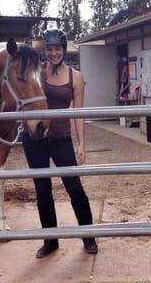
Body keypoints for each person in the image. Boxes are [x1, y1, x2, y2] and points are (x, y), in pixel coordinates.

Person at [22, 29, 98, 258]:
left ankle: (89, 237)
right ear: (44, 50)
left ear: (64, 50)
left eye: (57, 48)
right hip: (34, 139)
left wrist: (81, 144)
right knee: (43, 192)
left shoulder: (75, 76)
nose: (54, 53)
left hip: (61, 138)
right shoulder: (36, 72)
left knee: (75, 188)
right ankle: (50, 241)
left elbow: (78, 113)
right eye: (49, 48)